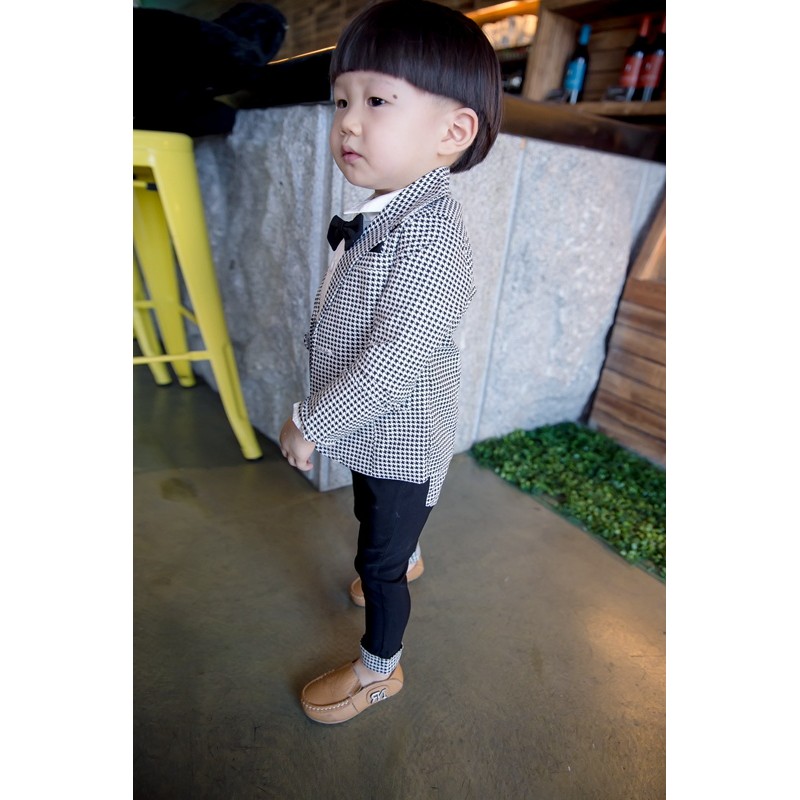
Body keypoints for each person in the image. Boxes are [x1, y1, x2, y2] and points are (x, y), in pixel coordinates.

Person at [278, 0, 503, 724]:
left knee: (376, 563)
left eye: (376, 102)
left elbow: (393, 365)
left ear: (452, 132)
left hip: (403, 440)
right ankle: (403, 551)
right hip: (378, 436)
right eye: (341, 101)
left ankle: (380, 669)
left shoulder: (431, 239)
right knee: (374, 514)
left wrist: (310, 422)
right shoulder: (391, 213)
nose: (349, 122)